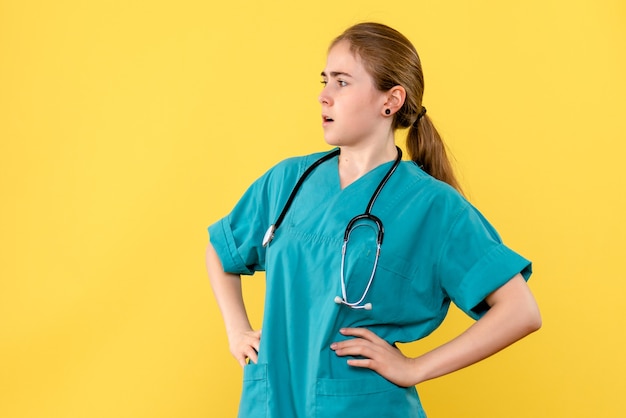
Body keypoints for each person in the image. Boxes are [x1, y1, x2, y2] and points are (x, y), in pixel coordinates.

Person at [206, 22, 541, 418]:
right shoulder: (288, 181)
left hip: (361, 405)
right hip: (272, 401)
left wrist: (414, 368)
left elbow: (521, 311)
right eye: (325, 80)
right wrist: (236, 330)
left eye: (342, 82)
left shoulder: (432, 206)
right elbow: (221, 248)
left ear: (391, 100)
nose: (324, 96)